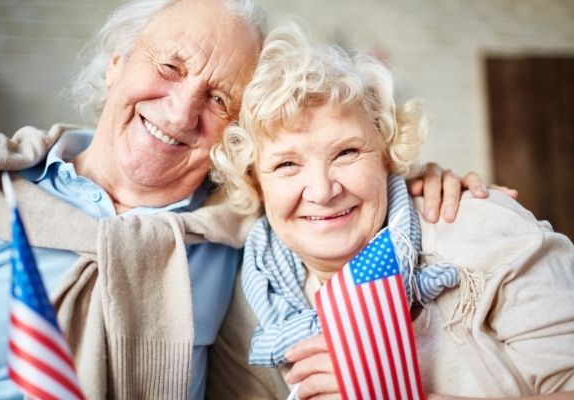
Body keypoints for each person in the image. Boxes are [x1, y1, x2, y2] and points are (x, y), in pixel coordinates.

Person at [0, 0, 503, 398]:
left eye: (219, 98)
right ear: (118, 62)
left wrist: (413, 186)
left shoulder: (247, 236)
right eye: (170, 68)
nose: (181, 112)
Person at [208, 23, 574, 399]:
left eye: (347, 152)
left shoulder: (486, 230)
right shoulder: (250, 307)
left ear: (386, 155)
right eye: (287, 164)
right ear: (254, 181)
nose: (322, 190)